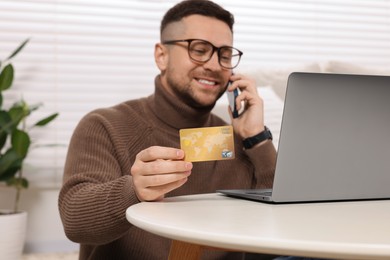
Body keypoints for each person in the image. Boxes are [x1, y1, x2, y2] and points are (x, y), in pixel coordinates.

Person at [58, 0, 277, 259]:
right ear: (161, 56)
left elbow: (283, 226)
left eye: (225, 54)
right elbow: (75, 221)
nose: (215, 65)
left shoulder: (241, 140)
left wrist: (258, 139)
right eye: (199, 49)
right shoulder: (104, 125)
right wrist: (134, 191)